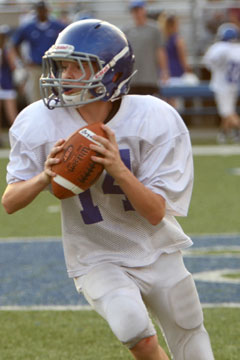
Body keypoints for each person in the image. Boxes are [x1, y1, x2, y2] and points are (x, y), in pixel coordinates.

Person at [2, 19, 214, 360]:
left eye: (78, 66)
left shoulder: (154, 118)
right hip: (95, 255)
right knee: (133, 327)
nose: (65, 75)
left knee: (190, 333)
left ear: (110, 72)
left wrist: (118, 168)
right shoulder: (37, 121)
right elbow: (10, 202)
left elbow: (156, 211)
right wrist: (44, 177)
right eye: (63, 65)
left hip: (155, 247)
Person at [11, 0, 66, 103]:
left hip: (52, 65)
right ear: (36, 10)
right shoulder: (28, 26)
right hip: (35, 66)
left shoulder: (57, 25)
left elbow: (68, 38)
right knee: (34, 95)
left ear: (47, 10)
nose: (42, 12)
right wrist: (22, 61)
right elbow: (15, 43)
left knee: (54, 94)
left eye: (43, 9)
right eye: (39, 9)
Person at [203, 23, 240, 144]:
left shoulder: (219, 47)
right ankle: (224, 134)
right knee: (227, 111)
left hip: (222, 85)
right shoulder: (237, 49)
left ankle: (229, 134)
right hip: (233, 84)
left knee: (227, 113)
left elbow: (208, 63)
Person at [123, 0, 168, 95]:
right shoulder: (126, 31)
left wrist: (164, 71)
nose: (137, 13)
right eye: (134, 10)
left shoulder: (154, 29)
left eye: (139, 9)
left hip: (149, 77)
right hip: (132, 79)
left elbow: (160, 51)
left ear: (144, 10)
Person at [0, 25, 19, 147]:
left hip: (7, 85)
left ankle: (17, 138)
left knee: (12, 114)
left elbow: (13, 66)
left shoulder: (8, 50)